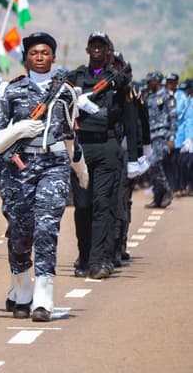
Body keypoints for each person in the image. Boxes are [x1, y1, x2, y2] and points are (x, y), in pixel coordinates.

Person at [0, 32, 82, 322]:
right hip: (18, 167)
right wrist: (17, 131)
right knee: (20, 233)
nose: (39, 57)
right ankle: (23, 287)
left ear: (53, 57)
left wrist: (81, 170)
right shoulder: (10, 90)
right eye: (33, 53)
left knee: (46, 226)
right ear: (25, 58)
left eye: (45, 53)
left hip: (53, 164)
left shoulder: (66, 92)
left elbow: (70, 134)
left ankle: (43, 296)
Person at [67, 32, 138, 279]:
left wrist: (136, 156)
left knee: (102, 205)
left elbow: (130, 117)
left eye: (102, 45)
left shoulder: (118, 80)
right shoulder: (75, 77)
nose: (97, 49)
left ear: (109, 51)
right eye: (93, 45)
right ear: (87, 49)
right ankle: (84, 255)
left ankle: (99, 261)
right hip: (81, 148)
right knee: (83, 207)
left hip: (107, 146)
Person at [144, 72, 177, 209]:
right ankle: (158, 197)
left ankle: (167, 189)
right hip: (150, 136)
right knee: (150, 168)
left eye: (150, 81)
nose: (147, 83)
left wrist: (171, 137)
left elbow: (173, 117)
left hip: (162, 134)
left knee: (154, 164)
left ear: (157, 81)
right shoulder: (148, 96)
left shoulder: (167, 96)